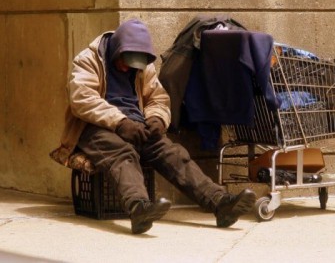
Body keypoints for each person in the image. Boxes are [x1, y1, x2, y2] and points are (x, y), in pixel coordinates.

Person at [53, 19, 256, 235]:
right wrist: (120, 122)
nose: (127, 67)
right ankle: (138, 208)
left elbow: (157, 98)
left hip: (135, 124)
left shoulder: (141, 64)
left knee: (173, 153)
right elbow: (82, 99)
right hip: (94, 126)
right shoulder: (88, 59)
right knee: (123, 152)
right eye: (124, 61)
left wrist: (157, 118)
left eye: (133, 64)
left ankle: (220, 203)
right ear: (116, 49)